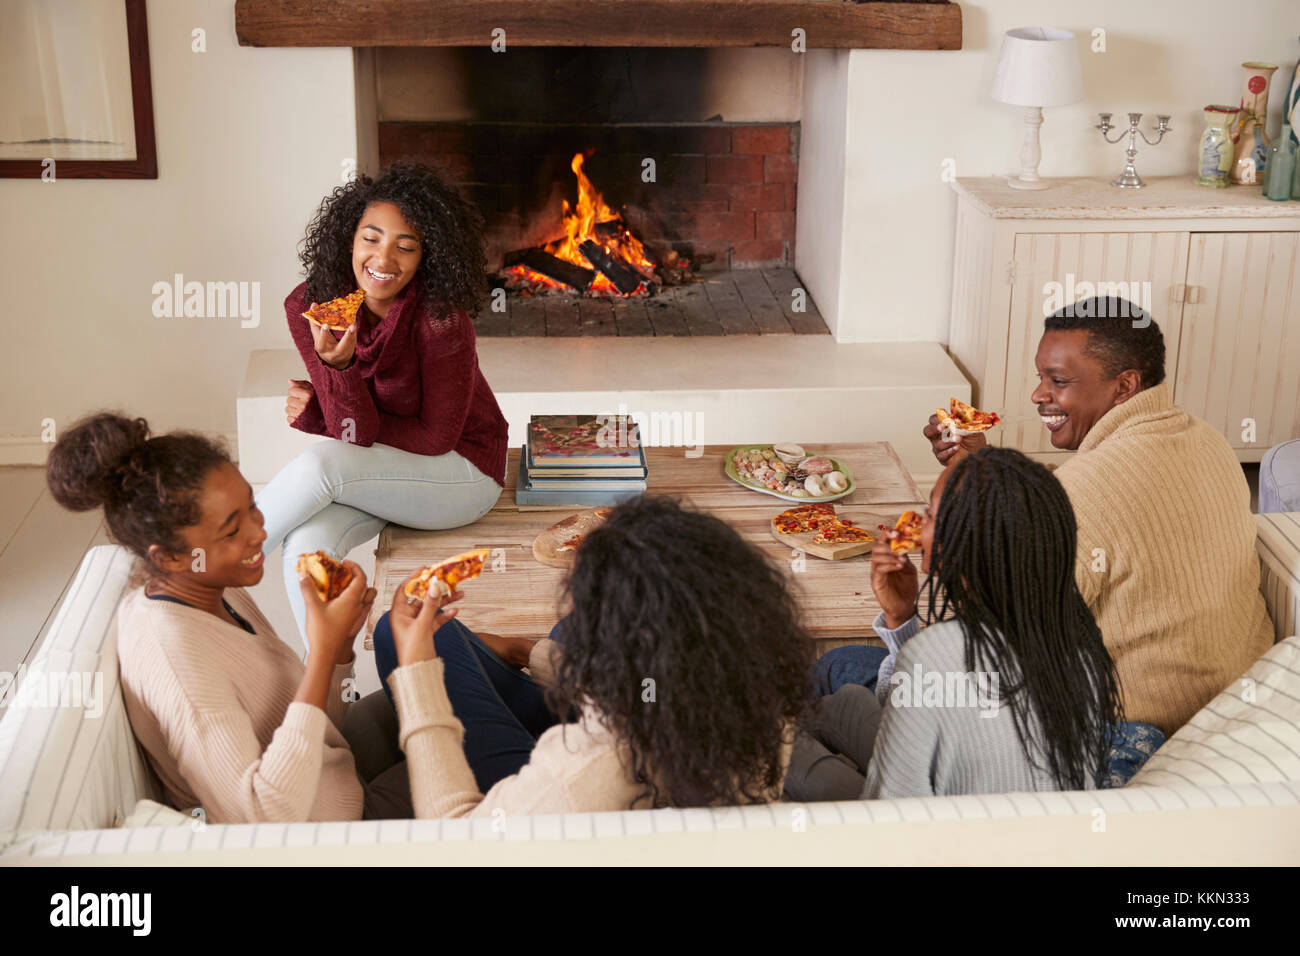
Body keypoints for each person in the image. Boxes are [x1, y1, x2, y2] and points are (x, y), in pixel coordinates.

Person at [45, 412, 494, 824]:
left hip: (335, 775)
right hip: (333, 830)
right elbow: (262, 815)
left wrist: (339, 651)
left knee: (458, 679)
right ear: (172, 557)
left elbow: (318, 727)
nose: (261, 532)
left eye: (252, 508)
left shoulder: (216, 590)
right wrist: (319, 654)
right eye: (232, 530)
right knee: (496, 753)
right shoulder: (174, 654)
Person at [919, 296, 1272, 734]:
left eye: (1059, 380)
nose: (1038, 394)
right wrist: (984, 464)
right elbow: (1098, 502)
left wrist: (912, 605)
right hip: (1241, 709)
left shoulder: (1086, 491)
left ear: (1124, 386)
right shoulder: (1207, 439)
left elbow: (990, 644)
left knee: (850, 670)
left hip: (1132, 733)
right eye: (1040, 377)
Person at [371, 496, 817, 814]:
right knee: (560, 637)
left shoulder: (582, 775)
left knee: (396, 634)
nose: (569, 600)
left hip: (562, 787)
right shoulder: (758, 689)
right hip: (641, 746)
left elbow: (455, 838)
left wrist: (417, 679)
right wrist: (527, 651)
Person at [257, 162, 509, 647]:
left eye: (406, 246)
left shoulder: (440, 323)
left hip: (461, 473)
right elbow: (353, 429)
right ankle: (328, 685)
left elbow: (434, 438)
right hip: (380, 472)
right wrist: (339, 370)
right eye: (371, 238)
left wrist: (325, 406)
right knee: (305, 548)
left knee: (321, 463)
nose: (384, 257)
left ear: (426, 258)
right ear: (348, 239)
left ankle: (219, 560)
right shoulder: (310, 309)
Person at [785, 447, 1124, 801]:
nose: (916, 525)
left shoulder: (938, 653)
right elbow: (932, 700)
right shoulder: (1076, 635)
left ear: (961, 540)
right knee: (852, 700)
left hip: (947, 835)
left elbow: (892, 807)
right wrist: (901, 617)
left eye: (930, 515)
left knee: (784, 748)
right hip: (1012, 811)